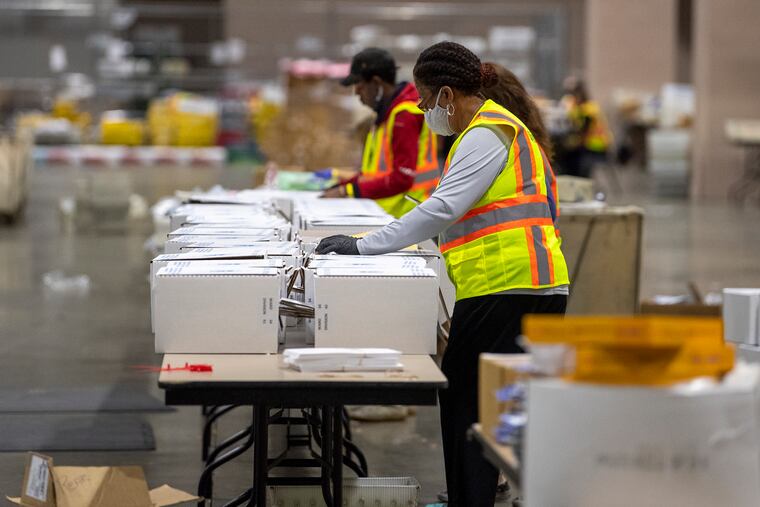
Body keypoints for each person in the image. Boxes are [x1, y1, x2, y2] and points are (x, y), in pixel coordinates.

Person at [316, 41, 569, 506]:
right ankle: (483, 494)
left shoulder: (485, 133)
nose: (427, 111)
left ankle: (471, 499)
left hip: (510, 286)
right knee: (490, 403)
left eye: (429, 102)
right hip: (522, 284)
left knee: (467, 403)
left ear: (448, 95)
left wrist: (364, 246)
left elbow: (444, 207)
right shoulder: (493, 130)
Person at [321, 47, 439, 218]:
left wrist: (347, 190)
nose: (357, 93)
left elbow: (402, 179)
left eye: (359, 86)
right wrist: (339, 186)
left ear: (376, 83)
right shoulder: (386, 116)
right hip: (390, 214)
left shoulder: (403, 116)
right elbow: (371, 175)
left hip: (409, 215)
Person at [557, 76, 612, 178]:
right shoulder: (577, 106)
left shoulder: (590, 108)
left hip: (595, 146)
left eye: (573, 93)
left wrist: (571, 142)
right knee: (563, 152)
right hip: (584, 143)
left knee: (568, 155)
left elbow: (583, 131)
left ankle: (573, 180)